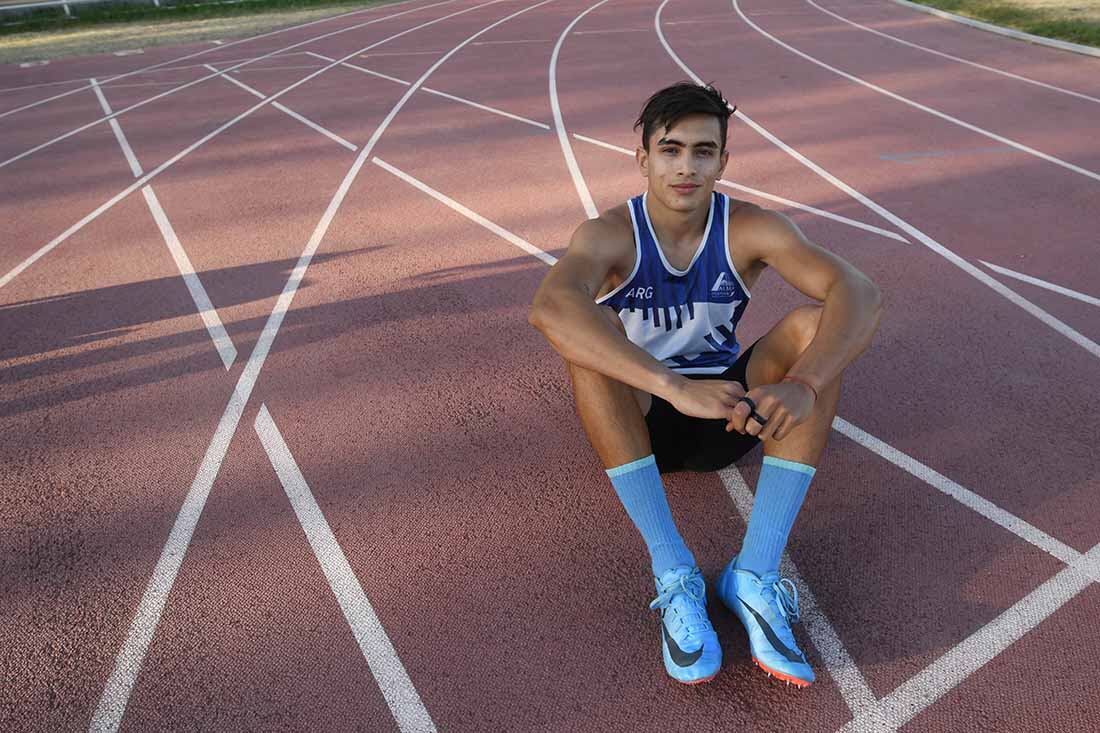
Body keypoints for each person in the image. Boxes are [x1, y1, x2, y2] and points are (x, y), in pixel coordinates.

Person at [528, 82, 882, 686]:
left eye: (703, 150)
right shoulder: (609, 234)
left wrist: (807, 384)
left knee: (812, 328)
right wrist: (671, 385)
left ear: (723, 160)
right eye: (670, 149)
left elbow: (860, 292)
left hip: (731, 413)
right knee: (590, 338)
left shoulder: (751, 229)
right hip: (640, 420)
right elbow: (550, 310)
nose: (686, 166)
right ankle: (673, 571)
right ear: (644, 159)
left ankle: (755, 573)